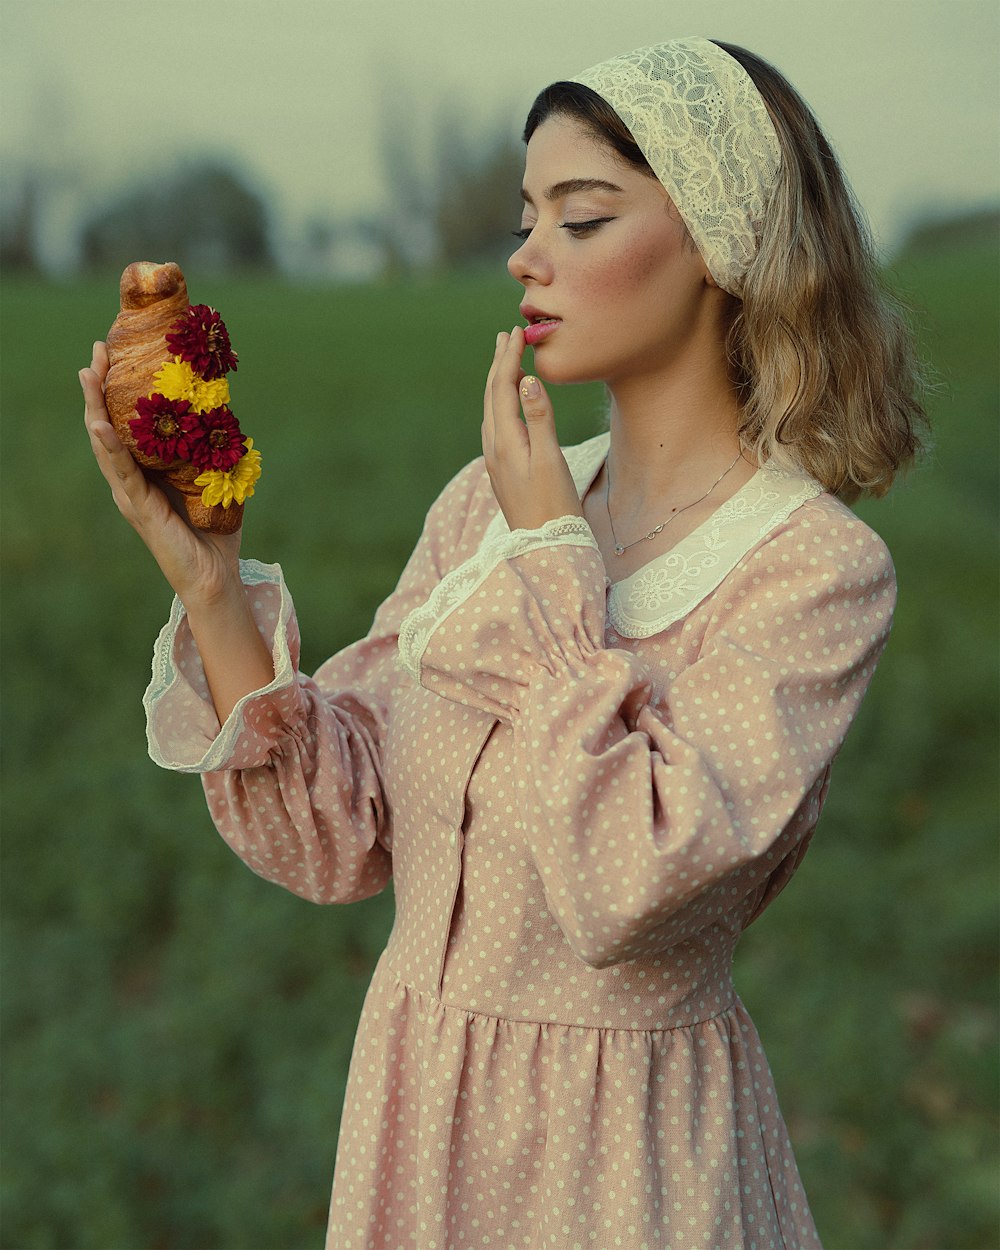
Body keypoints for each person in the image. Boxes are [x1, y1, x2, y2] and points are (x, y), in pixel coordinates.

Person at [81, 36, 926, 1250]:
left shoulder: (814, 572)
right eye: (529, 215)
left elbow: (622, 884)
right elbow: (340, 832)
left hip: (625, 1165)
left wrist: (549, 567)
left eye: (580, 217)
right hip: (418, 1130)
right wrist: (210, 587)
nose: (524, 254)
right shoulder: (486, 505)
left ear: (722, 242)